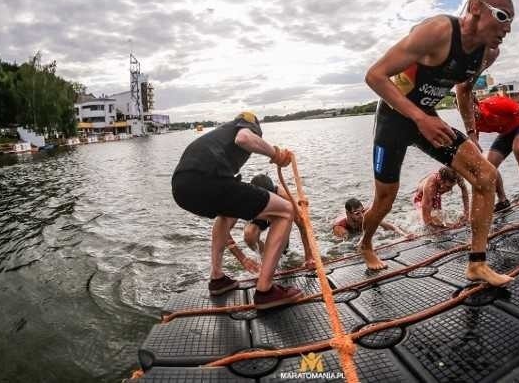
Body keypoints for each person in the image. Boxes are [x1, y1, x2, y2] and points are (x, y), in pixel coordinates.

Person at [363, 0, 514, 286]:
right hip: (394, 120)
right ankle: (365, 242)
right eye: (501, 16)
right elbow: (375, 76)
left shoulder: (488, 53)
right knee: (384, 200)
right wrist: (418, 117)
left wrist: (471, 131)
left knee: (485, 176)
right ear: (474, 6)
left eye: (511, 21)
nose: (507, 28)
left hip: (428, 122)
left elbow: (464, 89)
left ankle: (477, 264)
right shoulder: (438, 31)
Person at [171, 111, 303, 309]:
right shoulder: (246, 122)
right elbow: (244, 138)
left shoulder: (218, 140)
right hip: (207, 178)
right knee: (285, 211)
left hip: (181, 187)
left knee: (225, 215)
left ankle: (217, 279)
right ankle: (265, 290)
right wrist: (275, 153)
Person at [470, 92, 519, 215]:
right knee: (488, 165)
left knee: (518, 148)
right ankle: (503, 200)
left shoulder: (493, 104)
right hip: (506, 132)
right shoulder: (471, 122)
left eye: (469, 108)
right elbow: (474, 140)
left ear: (475, 104)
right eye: (462, 110)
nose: (468, 113)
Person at [243, 173, 315, 267]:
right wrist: (242, 258)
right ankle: (266, 258)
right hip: (260, 215)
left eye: (268, 197)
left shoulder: (284, 197)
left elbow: (302, 225)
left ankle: (279, 258)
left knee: (283, 250)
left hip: (279, 214)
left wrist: (309, 257)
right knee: (249, 236)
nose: (266, 202)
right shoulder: (246, 198)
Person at [332, 198, 409, 240]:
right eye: (357, 213)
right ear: (348, 214)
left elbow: (389, 226)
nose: (362, 216)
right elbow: (344, 245)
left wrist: (404, 235)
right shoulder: (340, 227)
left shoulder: (365, 214)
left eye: (362, 211)